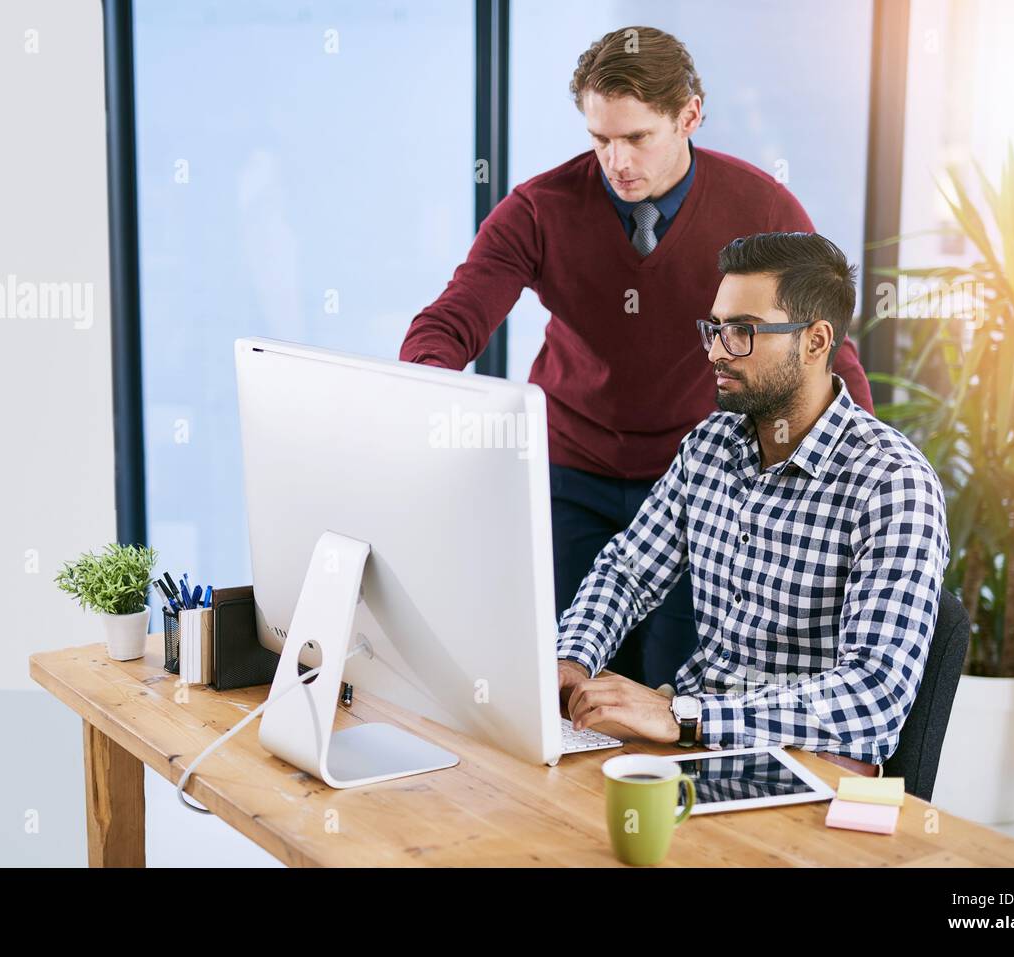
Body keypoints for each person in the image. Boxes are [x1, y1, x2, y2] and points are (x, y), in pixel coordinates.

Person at [399, 26, 874, 688]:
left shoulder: (762, 208)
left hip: (700, 484)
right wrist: (420, 398)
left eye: (637, 138)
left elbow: (824, 341)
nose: (616, 161)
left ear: (689, 116)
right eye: (600, 139)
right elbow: (452, 320)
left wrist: (862, 465)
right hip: (573, 472)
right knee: (573, 686)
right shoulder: (540, 209)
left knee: (670, 689)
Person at [558, 232, 949, 776]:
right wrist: (573, 658)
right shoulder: (711, 444)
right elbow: (627, 572)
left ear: (815, 342)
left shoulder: (892, 484)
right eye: (715, 329)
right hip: (694, 745)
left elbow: (873, 698)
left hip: (804, 767)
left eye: (743, 331)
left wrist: (684, 716)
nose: (717, 350)